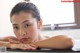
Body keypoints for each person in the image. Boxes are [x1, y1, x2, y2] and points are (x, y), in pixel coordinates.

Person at [0, 2, 74, 50]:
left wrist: (31, 44)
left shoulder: (52, 42)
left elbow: (68, 41)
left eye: (27, 25)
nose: (21, 33)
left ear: (39, 23)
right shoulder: (15, 42)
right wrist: (11, 45)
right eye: (16, 27)